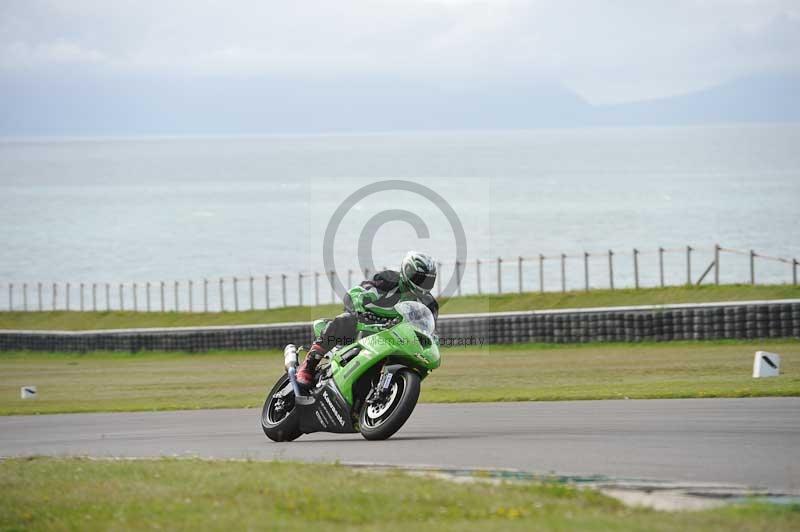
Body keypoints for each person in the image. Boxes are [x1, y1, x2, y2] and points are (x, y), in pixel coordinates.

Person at [295, 251, 439, 386]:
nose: (423, 283)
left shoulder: (429, 304)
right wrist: (359, 309)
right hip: (368, 321)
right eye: (419, 278)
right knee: (346, 320)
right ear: (407, 271)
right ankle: (308, 365)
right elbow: (359, 292)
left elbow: (428, 329)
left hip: (394, 334)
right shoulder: (389, 279)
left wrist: (433, 342)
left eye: (428, 280)